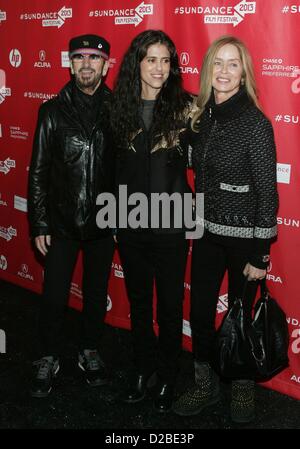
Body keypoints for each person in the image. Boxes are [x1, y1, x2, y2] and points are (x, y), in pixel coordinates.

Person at [172, 35, 278, 423]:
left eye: (233, 64)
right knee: (199, 313)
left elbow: (267, 192)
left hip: (244, 242)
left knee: (240, 319)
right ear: (208, 70)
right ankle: (204, 385)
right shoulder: (201, 117)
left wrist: (261, 254)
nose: (224, 71)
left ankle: (242, 388)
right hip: (205, 236)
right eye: (218, 63)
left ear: (244, 72)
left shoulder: (256, 124)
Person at [110, 30, 194, 413]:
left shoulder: (187, 108)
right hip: (129, 222)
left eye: (166, 60)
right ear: (137, 63)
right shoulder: (118, 108)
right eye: (151, 60)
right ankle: (142, 370)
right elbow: (112, 170)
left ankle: (168, 376)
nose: (160, 68)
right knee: (140, 303)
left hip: (173, 225)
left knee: (171, 307)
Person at [28, 34, 115, 398]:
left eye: (94, 58)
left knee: (96, 295)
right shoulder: (51, 111)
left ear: (106, 65)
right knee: (53, 295)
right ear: (69, 63)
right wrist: (40, 223)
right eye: (79, 57)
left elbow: (126, 169)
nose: (86, 64)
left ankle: (88, 350)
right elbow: (37, 172)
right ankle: (47, 355)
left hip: (104, 222)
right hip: (62, 223)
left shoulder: (118, 110)